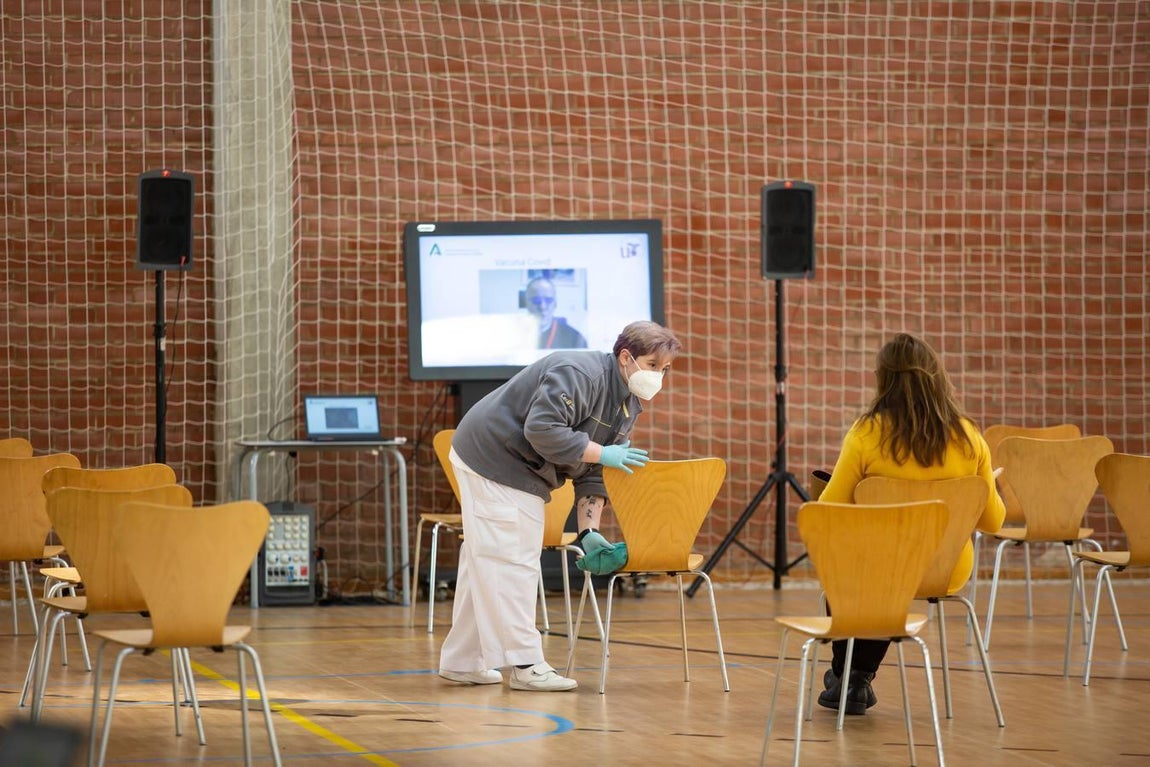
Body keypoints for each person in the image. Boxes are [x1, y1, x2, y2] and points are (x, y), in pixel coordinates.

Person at [438, 320, 681, 691]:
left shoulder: (628, 407)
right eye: (652, 366)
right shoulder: (578, 372)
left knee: (486, 559)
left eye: (664, 370)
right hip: (494, 456)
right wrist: (603, 452)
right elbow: (543, 429)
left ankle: (462, 661)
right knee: (513, 560)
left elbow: (595, 473)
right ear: (626, 357)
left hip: (514, 465)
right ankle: (526, 665)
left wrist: (589, 532)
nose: (658, 377)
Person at [815, 332, 1005, 715]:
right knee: (882, 577)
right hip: (946, 570)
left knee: (857, 573)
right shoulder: (970, 437)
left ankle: (850, 677)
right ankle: (852, 680)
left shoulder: (867, 433)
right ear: (937, 377)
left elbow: (828, 508)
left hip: (878, 569)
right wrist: (990, 486)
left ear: (882, 379)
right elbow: (994, 520)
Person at [524, 276, 588, 349]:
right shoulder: (511, 334)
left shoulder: (575, 338)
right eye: (536, 300)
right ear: (526, 304)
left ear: (555, 303)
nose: (542, 307)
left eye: (548, 300)